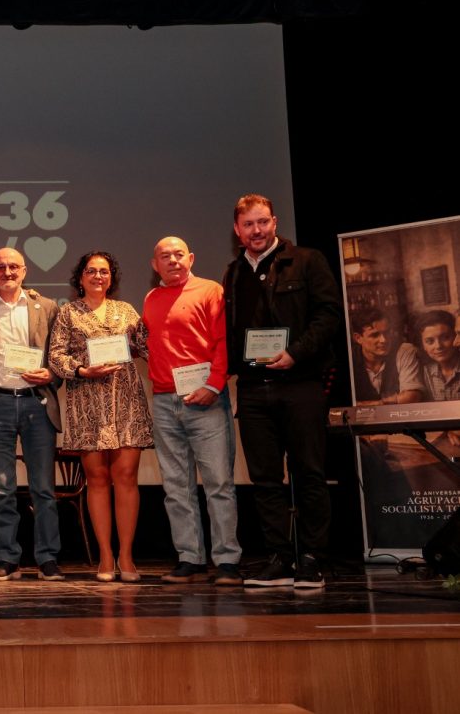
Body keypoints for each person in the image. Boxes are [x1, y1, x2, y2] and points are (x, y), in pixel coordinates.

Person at [223, 194, 342, 588]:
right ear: (237, 231)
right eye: (248, 225)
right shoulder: (233, 272)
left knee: (309, 473)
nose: (256, 231)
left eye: (262, 223)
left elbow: (328, 316)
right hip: (255, 388)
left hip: (301, 384)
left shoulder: (307, 261)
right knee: (265, 479)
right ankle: (278, 557)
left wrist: (295, 353)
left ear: (274, 222)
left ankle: (311, 558)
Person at [142, 237, 241, 586]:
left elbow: (223, 342)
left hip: (207, 400)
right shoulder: (151, 298)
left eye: (178, 254)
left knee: (218, 483)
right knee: (176, 487)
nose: (172, 260)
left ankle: (227, 560)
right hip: (165, 401)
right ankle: (190, 558)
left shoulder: (210, 291)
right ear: (155, 265)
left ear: (191, 257)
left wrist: (213, 386)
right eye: (164, 256)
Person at [49, 250, 152, 583]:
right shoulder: (68, 313)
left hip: (126, 400)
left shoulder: (127, 311)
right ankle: (105, 555)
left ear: (111, 277)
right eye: (91, 271)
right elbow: (55, 357)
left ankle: (127, 556)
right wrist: (81, 369)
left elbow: (148, 347)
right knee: (96, 480)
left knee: (125, 477)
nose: (98, 276)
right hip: (86, 400)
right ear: (80, 278)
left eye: (104, 271)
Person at [0, 247, 64, 582]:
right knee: (3, 488)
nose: (7, 272)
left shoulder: (46, 307)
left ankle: (47, 558)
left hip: (37, 402)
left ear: (25, 270)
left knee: (43, 488)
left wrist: (52, 375)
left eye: (14, 267)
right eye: (0, 267)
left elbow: (59, 355)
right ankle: (8, 558)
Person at [350, 306, 423, 405]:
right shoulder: (349, 358)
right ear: (358, 338)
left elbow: (412, 396)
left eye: (387, 332)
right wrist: (394, 400)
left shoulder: (404, 350)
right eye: (375, 335)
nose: (383, 340)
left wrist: (370, 404)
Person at [412, 309, 460, 404]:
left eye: (445, 337)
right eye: (430, 341)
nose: (438, 346)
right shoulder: (423, 373)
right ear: (423, 346)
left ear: (455, 336)